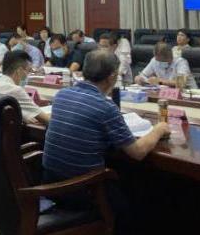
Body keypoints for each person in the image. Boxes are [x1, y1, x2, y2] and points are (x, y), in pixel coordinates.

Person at [42, 50, 170, 221]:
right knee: (139, 200)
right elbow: (138, 152)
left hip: (50, 183)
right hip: (83, 191)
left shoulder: (62, 94)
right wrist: (159, 129)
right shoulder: (105, 107)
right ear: (112, 77)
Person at [0, 50, 49, 125]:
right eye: (28, 71)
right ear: (19, 70)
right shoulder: (16, 90)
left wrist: (23, 115)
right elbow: (46, 120)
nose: (28, 75)